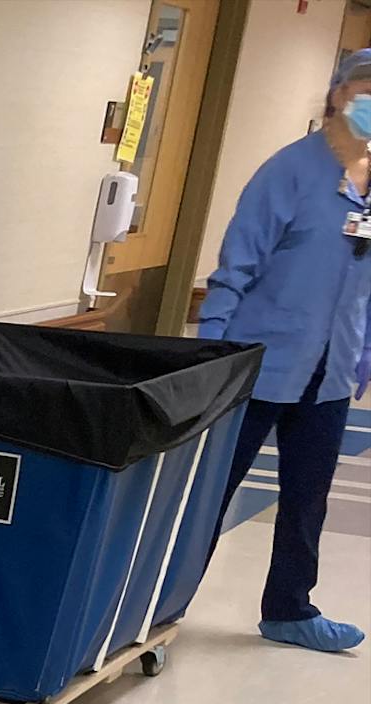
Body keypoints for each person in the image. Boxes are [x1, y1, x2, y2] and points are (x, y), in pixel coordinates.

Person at [200, 47, 371, 653]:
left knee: (306, 500)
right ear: (337, 97)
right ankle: (153, 605)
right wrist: (213, 353)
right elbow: (237, 262)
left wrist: (365, 349)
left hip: (329, 372)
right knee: (208, 494)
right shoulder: (290, 170)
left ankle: (289, 610)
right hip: (257, 362)